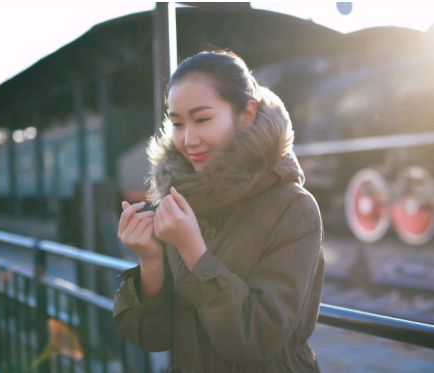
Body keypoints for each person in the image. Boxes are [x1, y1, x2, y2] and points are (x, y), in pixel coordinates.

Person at [113, 50, 325, 373]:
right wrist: (151, 261)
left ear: (246, 114)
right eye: (177, 123)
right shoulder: (184, 197)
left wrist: (194, 252)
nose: (188, 139)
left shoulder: (295, 208)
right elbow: (156, 337)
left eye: (202, 120)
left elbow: (255, 343)